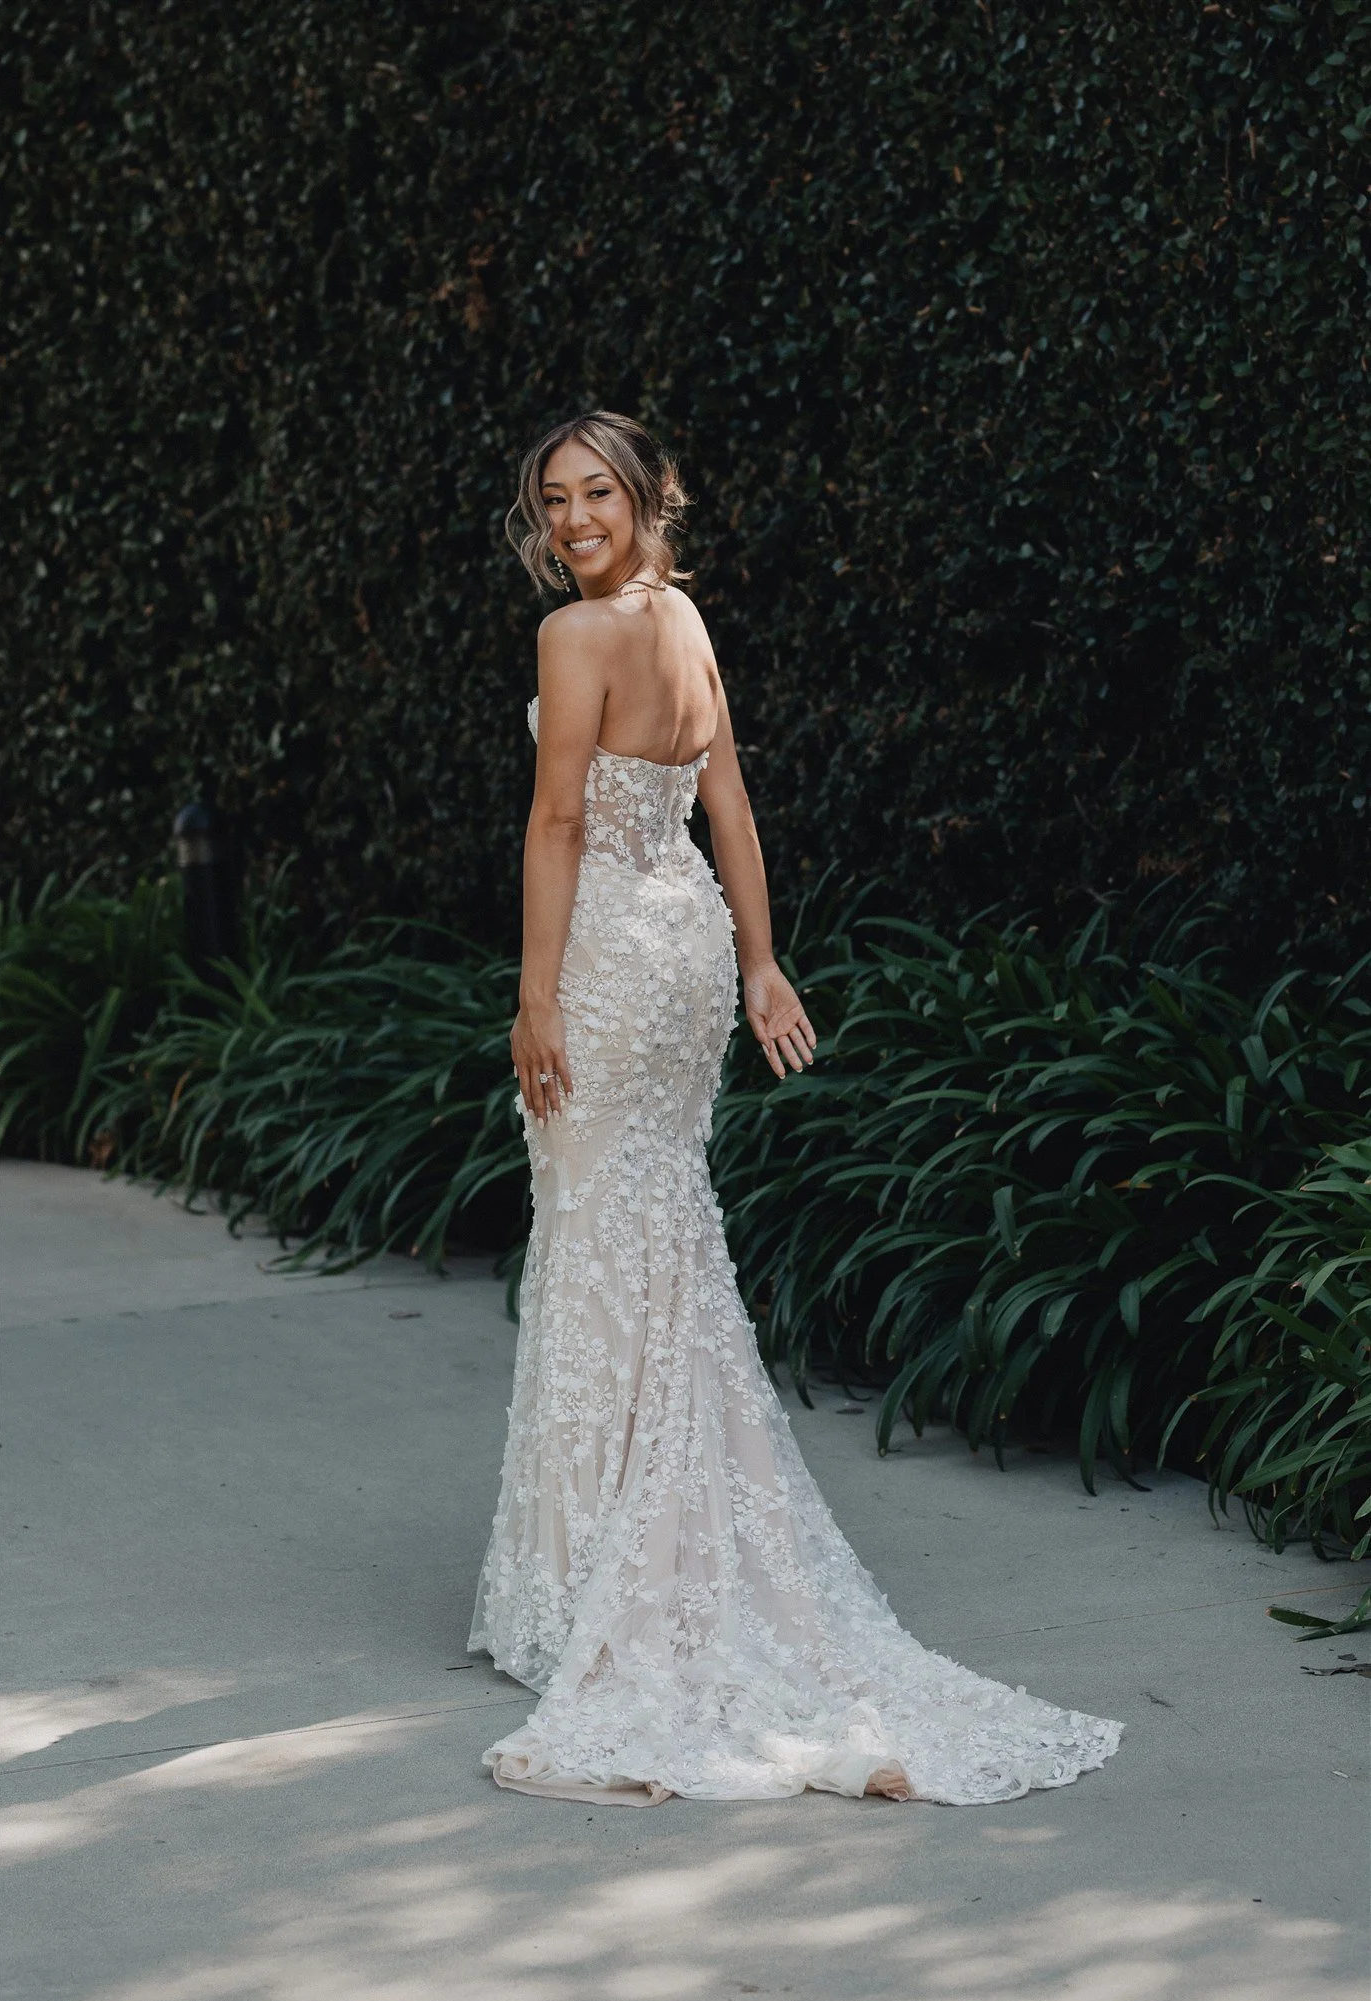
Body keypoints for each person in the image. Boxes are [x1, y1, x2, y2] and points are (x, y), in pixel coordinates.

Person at [468, 410, 1123, 1804]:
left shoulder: (575, 641)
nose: (575, 517)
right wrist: (757, 960)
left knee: (598, 1229)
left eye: (599, 493)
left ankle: (593, 1579)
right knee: (658, 1227)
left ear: (648, 497)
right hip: (690, 949)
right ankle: (638, 1550)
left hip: (606, 957)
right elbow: (731, 803)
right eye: (556, 499)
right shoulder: (684, 624)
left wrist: (535, 998)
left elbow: (559, 824)